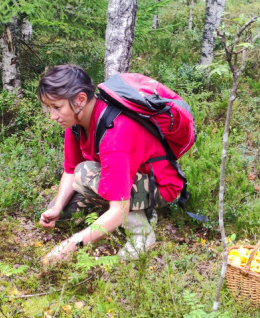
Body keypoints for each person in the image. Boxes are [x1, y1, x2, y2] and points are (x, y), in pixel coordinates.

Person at [37, 64, 184, 265]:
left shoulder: (115, 133)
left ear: (80, 100)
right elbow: (70, 170)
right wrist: (57, 206)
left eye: (56, 107)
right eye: (49, 108)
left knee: (85, 172)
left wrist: (71, 246)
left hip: (160, 185)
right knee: (61, 215)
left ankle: (141, 232)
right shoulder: (75, 122)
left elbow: (118, 211)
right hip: (125, 176)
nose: (53, 116)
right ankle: (125, 208)